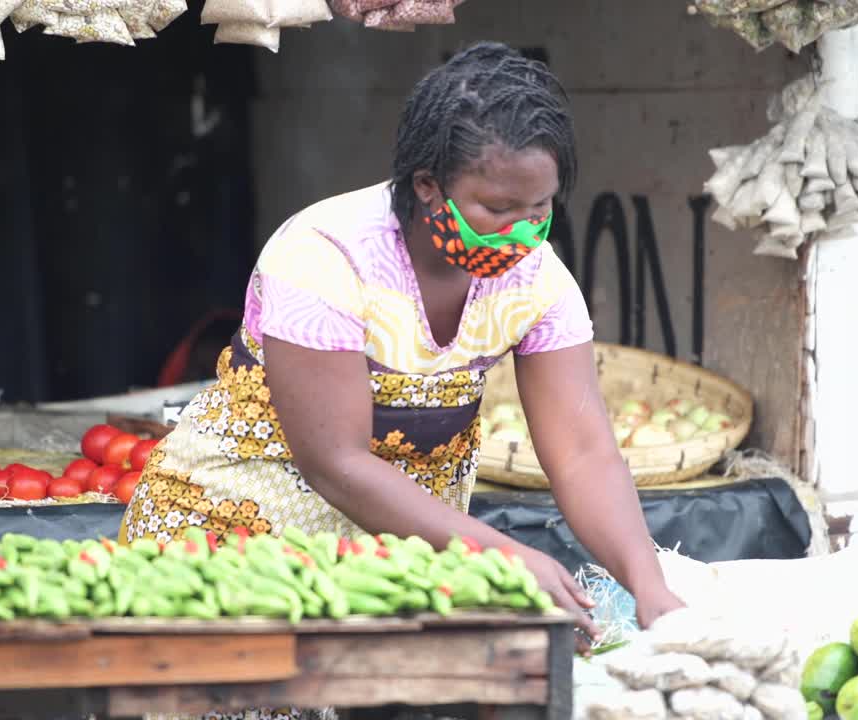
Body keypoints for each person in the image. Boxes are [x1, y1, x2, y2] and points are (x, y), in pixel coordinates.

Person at [120, 41, 684, 720]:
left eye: (540, 209)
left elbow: (583, 450)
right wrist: (504, 555)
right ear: (427, 187)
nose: (522, 232)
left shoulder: (539, 279)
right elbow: (337, 462)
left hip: (381, 560)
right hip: (229, 547)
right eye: (497, 207)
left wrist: (650, 586)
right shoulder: (325, 256)